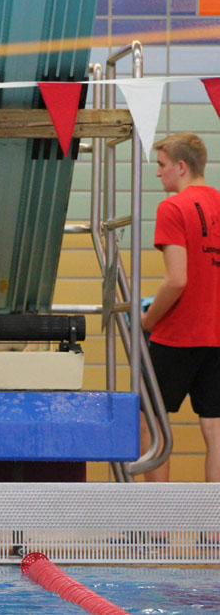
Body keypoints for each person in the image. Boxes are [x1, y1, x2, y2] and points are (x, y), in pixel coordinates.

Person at [140, 133, 220, 483]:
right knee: (215, 430)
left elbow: (176, 280)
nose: (158, 173)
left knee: (150, 421)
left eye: (162, 165)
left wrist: (148, 319)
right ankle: (216, 517)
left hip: (178, 334)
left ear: (181, 167)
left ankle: (157, 518)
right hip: (217, 334)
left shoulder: (172, 208)